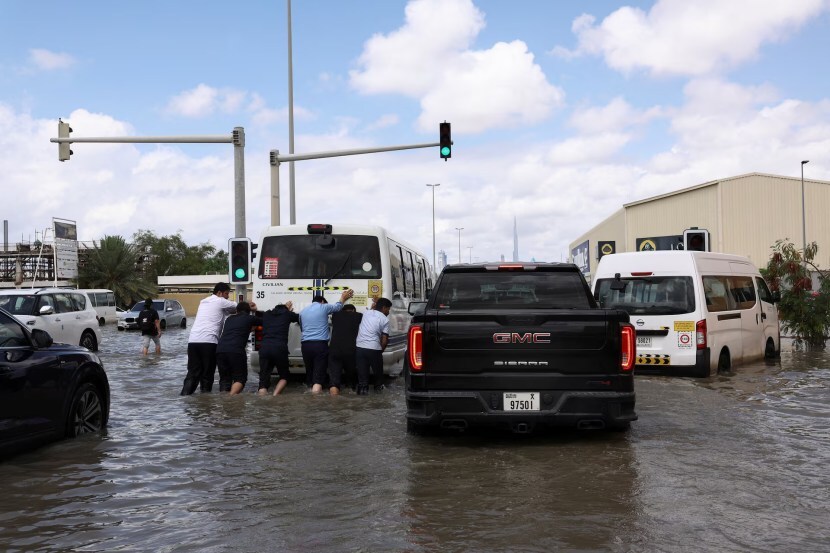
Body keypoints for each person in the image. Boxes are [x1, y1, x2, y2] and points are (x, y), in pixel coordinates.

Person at [180, 282, 238, 395]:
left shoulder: (203, 301)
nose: (228, 297)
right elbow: (238, 306)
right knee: (207, 373)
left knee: (192, 373)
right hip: (209, 342)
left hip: (193, 341)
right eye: (226, 294)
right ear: (219, 293)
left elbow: (227, 311)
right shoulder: (220, 301)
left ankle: (184, 396)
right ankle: (205, 401)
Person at [299, 288, 354, 394]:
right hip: (320, 345)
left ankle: (309, 391)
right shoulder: (323, 307)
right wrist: (343, 297)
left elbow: (302, 329)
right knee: (318, 376)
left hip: (305, 345)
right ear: (323, 301)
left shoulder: (302, 312)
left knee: (310, 372)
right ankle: (316, 403)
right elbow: (338, 307)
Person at [216, 301, 261, 395]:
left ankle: (223, 400)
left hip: (220, 350)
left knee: (225, 379)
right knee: (240, 378)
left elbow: (244, 329)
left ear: (236, 310)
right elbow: (264, 321)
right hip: (236, 351)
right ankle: (230, 399)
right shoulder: (249, 318)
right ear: (249, 311)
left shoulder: (229, 319)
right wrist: (256, 311)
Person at [257, 301, 299, 396]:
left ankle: (262, 397)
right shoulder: (287, 314)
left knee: (263, 379)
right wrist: (289, 311)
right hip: (279, 348)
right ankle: (275, 395)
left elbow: (259, 315)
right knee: (284, 376)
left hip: (264, 348)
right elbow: (299, 318)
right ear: (286, 309)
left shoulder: (266, 314)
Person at [354, 297, 392, 395]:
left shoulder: (366, 313)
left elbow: (373, 308)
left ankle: (362, 395)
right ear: (384, 308)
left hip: (360, 348)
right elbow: (384, 340)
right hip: (374, 349)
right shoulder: (385, 320)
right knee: (378, 378)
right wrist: (380, 351)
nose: (388, 312)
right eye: (388, 309)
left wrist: (376, 302)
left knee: (362, 379)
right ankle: (378, 396)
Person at [327, 303, 362, 395]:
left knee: (334, 381)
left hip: (334, 350)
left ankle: (334, 399)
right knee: (350, 381)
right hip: (350, 351)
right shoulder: (358, 316)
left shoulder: (335, 315)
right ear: (353, 310)